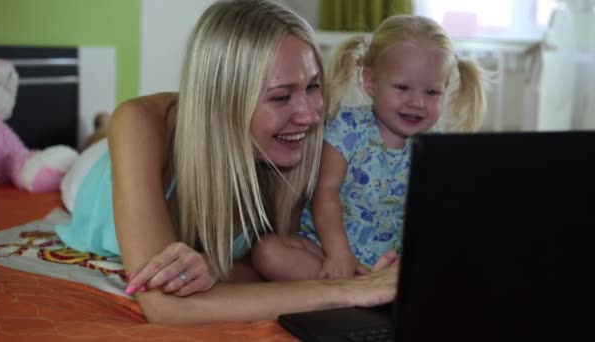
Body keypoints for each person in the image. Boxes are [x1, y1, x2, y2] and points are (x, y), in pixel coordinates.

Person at [54, 0, 398, 324]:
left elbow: (260, 267)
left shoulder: (292, 146)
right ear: (223, 101)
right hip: (93, 177)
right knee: (81, 153)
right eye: (280, 96)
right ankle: (99, 128)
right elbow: (162, 304)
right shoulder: (139, 122)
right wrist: (354, 290)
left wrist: (214, 268)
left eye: (312, 86)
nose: (309, 116)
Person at [251, 14, 488, 281]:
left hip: (388, 266)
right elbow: (325, 192)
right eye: (402, 87)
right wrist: (339, 254)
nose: (417, 103)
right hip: (327, 251)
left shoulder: (434, 149)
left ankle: (363, 291)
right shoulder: (349, 128)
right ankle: (349, 289)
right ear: (371, 83)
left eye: (431, 92)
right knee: (267, 251)